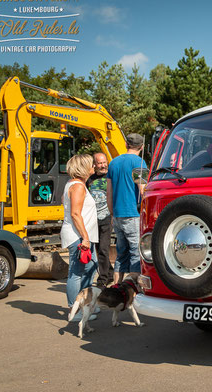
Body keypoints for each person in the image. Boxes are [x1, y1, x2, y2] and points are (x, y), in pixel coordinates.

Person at [60, 154, 99, 322]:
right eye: (92, 164)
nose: (94, 167)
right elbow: (75, 214)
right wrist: (85, 237)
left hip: (82, 235)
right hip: (78, 236)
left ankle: (83, 304)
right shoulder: (77, 186)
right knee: (75, 273)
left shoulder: (76, 184)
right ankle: (73, 310)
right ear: (84, 168)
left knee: (90, 267)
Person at [107, 133, 147, 284]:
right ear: (142, 147)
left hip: (117, 214)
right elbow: (142, 190)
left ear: (125, 144)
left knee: (121, 254)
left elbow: (109, 192)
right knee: (136, 253)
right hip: (133, 214)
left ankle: (117, 287)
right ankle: (133, 289)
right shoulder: (139, 162)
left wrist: (112, 214)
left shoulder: (113, 163)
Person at [86, 152, 114, 287]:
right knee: (98, 250)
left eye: (104, 162)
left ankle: (102, 280)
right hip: (93, 219)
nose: (103, 165)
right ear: (95, 165)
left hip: (108, 218)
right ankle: (109, 273)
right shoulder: (90, 179)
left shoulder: (111, 176)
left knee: (103, 249)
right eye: (100, 163)